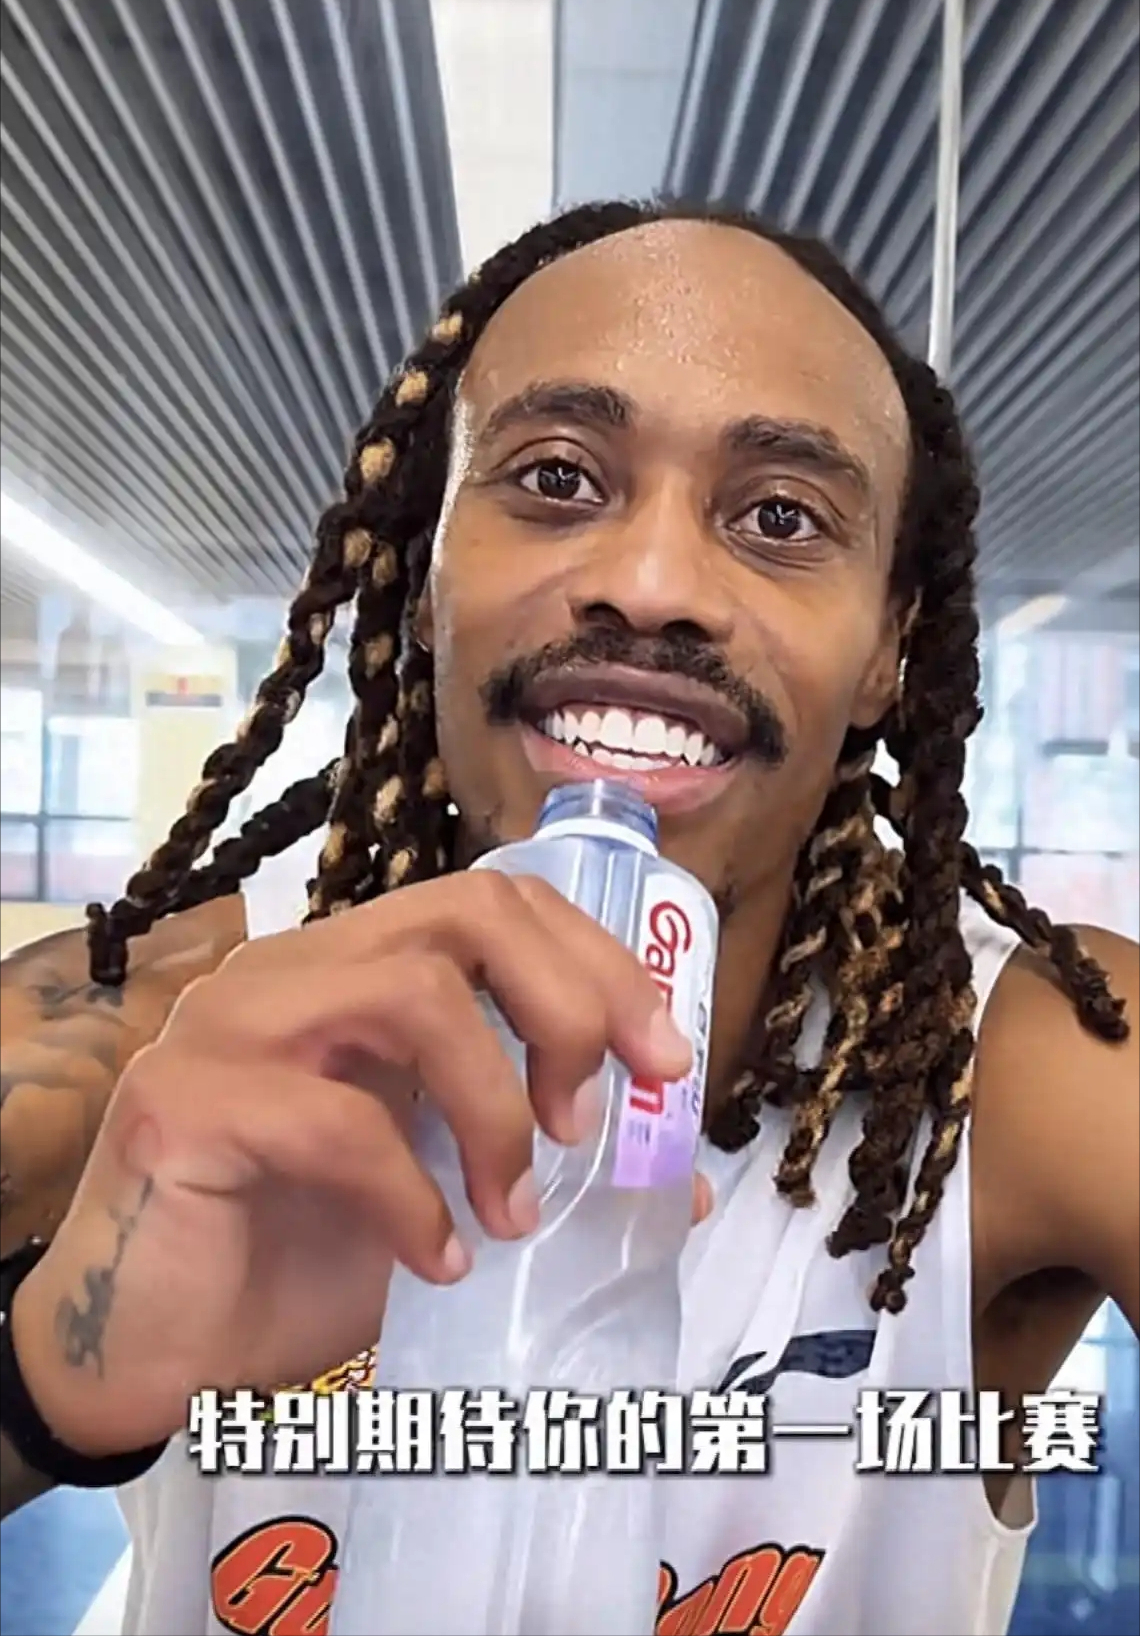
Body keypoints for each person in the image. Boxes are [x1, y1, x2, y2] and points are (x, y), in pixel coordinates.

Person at [0, 199, 1136, 1636]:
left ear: (887, 648)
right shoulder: (145, 1043)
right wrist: (51, 1379)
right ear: (425, 576)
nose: (651, 587)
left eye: (781, 517)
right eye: (556, 477)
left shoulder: (1037, 1075)